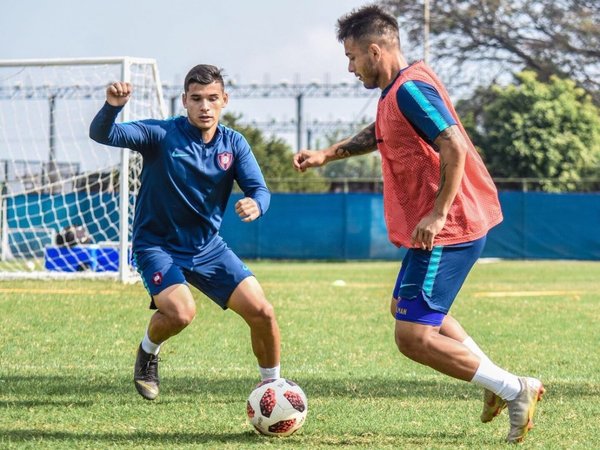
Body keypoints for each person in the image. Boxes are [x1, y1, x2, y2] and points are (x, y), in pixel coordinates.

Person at [293, 5, 544, 444]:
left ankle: (514, 388)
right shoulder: (396, 92)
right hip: (441, 228)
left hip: (450, 228)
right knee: (404, 311)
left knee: (411, 337)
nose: (350, 68)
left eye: (352, 57)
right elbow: (381, 131)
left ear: (374, 51)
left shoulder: (409, 89)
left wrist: (438, 213)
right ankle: (496, 385)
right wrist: (326, 155)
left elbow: (454, 146)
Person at [90, 64, 281, 401]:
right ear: (184, 101)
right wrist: (112, 107)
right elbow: (104, 134)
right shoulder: (160, 135)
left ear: (224, 100)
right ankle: (148, 352)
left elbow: (260, 190)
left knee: (263, 312)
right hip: (157, 246)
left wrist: (256, 204)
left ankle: (272, 388)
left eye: (212, 99)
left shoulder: (234, 144)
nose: (204, 106)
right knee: (181, 313)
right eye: (196, 99)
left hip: (209, 248)